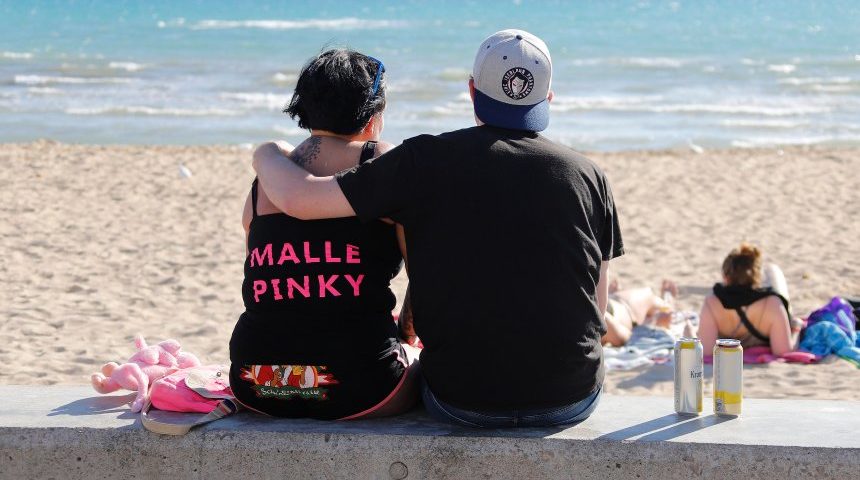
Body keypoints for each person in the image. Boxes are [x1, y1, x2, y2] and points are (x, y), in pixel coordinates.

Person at [252, 30, 624, 428]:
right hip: (571, 397)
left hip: (460, 399)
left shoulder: (421, 161)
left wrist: (266, 153)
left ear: (472, 90)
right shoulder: (590, 176)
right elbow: (597, 308)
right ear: (548, 98)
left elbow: (301, 198)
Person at [229, 49, 419, 420]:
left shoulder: (267, 182)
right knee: (424, 367)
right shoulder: (381, 163)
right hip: (360, 386)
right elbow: (424, 279)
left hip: (257, 382)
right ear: (374, 114)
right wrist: (407, 334)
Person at [698, 242, 801, 356]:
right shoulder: (772, 303)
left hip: (726, 339)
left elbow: (707, 351)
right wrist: (796, 331)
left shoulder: (712, 302)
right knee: (773, 269)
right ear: (757, 278)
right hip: (766, 315)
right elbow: (783, 351)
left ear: (726, 277)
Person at [603, 279, 681, 346]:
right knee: (648, 295)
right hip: (625, 310)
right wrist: (652, 322)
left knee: (650, 298)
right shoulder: (601, 319)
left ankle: (665, 302)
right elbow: (623, 337)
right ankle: (667, 300)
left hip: (616, 307)